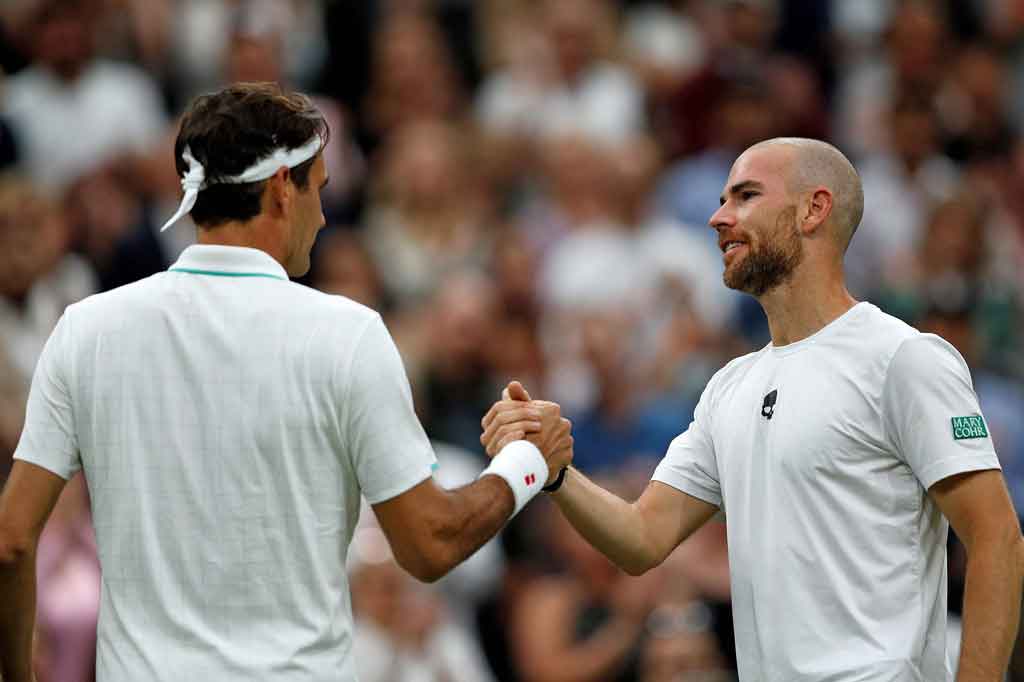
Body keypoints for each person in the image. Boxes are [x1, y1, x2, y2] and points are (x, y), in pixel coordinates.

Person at [0, 82, 572, 682]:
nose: (322, 216)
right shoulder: (349, 335)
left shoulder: (85, 329)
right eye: (317, 189)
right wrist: (526, 463)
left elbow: (11, 538)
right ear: (280, 188)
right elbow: (430, 544)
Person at [482, 138, 1024, 681]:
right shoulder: (729, 388)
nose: (718, 218)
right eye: (723, 200)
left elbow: (997, 539)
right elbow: (641, 540)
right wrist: (557, 472)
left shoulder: (903, 358)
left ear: (814, 209)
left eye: (745, 196)